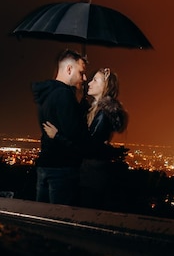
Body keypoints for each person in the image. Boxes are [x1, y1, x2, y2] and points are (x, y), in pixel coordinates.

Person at [43, 67, 128, 208]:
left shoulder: (103, 114)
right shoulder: (95, 111)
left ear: (105, 86)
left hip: (93, 177)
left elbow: (87, 147)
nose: (89, 83)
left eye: (95, 80)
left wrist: (57, 136)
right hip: (90, 174)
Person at [32, 48, 88, 205]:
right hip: (62, 168)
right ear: (69, 69)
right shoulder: (64, 95)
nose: (84, 78)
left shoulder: (46, 93)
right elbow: (76, 139)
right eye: (81, 72)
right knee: (60, 219)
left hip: (45, 165)